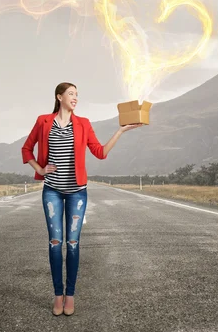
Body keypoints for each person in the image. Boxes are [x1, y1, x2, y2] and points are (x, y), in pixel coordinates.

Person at [21, 82, 142, 316]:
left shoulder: (84, 124)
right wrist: (41, 169)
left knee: (73, 244)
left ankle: (71, 296)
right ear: (59, 97)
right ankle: (58, 295)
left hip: (77, 191)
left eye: (77, 94)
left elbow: (100, 152)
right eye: (71, 94)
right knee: (55, 243)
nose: (75, 98)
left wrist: (120, 131)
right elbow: (26, 149)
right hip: (52, 191)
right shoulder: (43, 121)